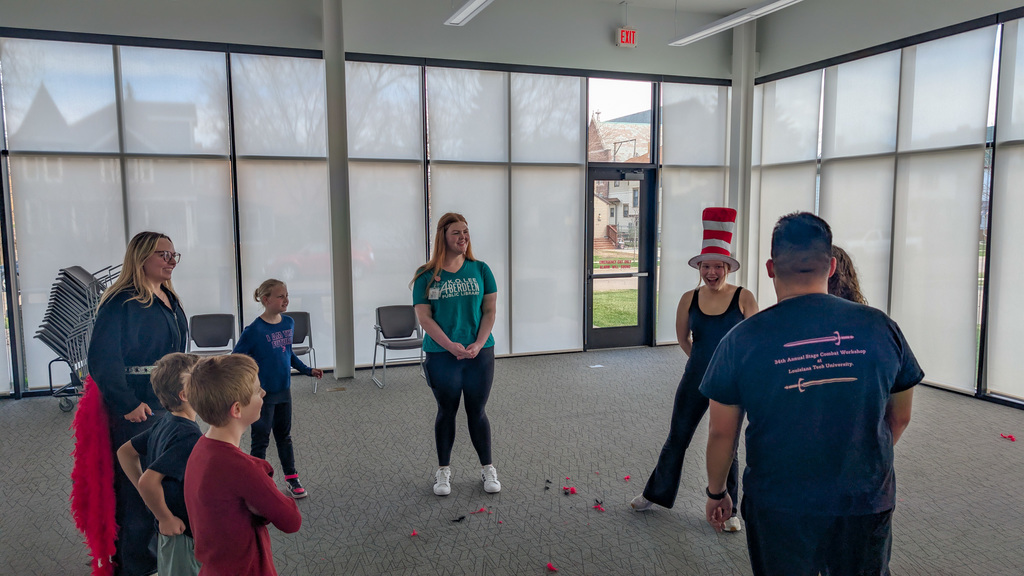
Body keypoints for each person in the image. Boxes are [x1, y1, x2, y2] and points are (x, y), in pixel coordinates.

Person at [701, 212, 923, 576]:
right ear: (832, 266)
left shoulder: (742, 340)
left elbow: (722, 431)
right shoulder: (881, 327)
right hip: (864, 497)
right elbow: (900, 416)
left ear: (771, 268)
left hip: (778, 502)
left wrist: (716, 492)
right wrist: (859, 457)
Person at [631, 207, 757, 534]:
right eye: (706, 266)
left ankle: (730, 511)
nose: (711, 271)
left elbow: (754, 343)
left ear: (727, 267)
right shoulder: (689, 297)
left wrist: (735, 372)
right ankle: (653, 493)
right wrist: (701, 362)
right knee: (678, 438)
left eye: (718, 266)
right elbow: (682, 339)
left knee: (727, 442)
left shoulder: (744, 298)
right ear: (699, 267)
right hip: (695, 379)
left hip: (731, 385)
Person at [87, 231, 189, 576]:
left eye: (175, 256)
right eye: (164, 255)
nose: (170, 261)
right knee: (138, 491)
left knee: (165, 484)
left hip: (169, 405)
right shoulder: (122, 301)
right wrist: (128, 402)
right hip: (139, 408)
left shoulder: (168, 298)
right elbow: (102, 359)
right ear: (141, 257)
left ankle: (160, 559)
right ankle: (135, 566)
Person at [183, 354, 302, 575]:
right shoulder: (242, 468)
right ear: (237, 409)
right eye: (258, 390)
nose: (263, 393)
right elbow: (291, 520)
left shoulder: (200, 448)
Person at [411, 212, 500, 496]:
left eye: (466, 232)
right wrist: (450, 345)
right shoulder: (426, 276)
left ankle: (488, 469)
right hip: (441, 355)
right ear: (443, 238)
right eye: (456, 233)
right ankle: (443, 472)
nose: (463, 237)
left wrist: (478, 343)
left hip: (479, 355)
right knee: (446, 412)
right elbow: (424, 318)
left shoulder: (481, 269)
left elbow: (489, 311)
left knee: (478, 412)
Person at [233, 279, 323, 499]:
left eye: (286, 295)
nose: (286, 300)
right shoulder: (254, 330)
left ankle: (292, 477)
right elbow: (236, 359)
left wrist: (307, 370)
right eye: (280, 296)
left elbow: (288, 354)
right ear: (266, 299)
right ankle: (258, 482)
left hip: (284, 391)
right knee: (260, 439)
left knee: (284, 436)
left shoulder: (288, 323)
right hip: (262, 396)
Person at [116, 353, 203, 576]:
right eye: (202, 382)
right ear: (185, 394)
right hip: (180, 530)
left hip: (169, 529)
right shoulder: (188, 435)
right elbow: (148, 482)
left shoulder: (167, 420)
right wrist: (164, 516)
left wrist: (153, 503)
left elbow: (125, 453)